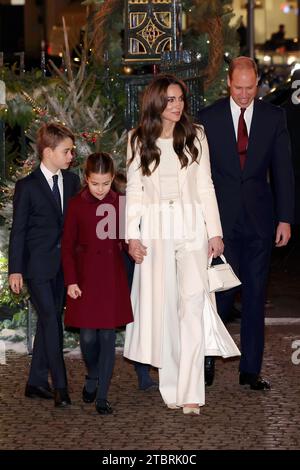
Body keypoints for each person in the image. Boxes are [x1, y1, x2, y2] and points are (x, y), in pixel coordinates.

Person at [123, 74, 240, 415]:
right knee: (166, 311)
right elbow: (135, 193)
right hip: (157, 231)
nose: (177, 105)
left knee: (191, 308)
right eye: (171, 99)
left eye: (180, 99)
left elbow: (206, 187)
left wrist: (214, 232)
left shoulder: (196, 135)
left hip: (192, 230)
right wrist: (132, 236)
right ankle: (171, 385)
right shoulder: (137, 140)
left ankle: (191, 391)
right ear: (156, 102)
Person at [199, 56, 294, 390]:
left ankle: (250, 371)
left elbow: (283, 170)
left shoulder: (273, 117)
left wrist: (285, 218)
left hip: (259, 222)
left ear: (258, 84)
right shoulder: (207, 119)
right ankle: (207, 358)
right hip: (219, 226)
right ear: (228, 82)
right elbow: (200, 176)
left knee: (255, 296)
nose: (243, 94)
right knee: (219, 296)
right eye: (238, 87)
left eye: (249, 88)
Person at [8, 122, 80, 407]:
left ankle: (36, 382)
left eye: (72, 151)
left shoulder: (72, 181)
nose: (71, 156)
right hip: (36, 268)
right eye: (67, 151)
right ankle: (60, 386)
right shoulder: (26, 186)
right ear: (48, 152)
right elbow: (19, 230)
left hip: (63, 267)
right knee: (50, 320)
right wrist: (16, 269)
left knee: (48, 323)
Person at [61, 153, 133, 415]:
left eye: (105, 183)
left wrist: (133, 246)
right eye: (95, 184)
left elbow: (127, 239)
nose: (100, 189)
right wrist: (71, 281)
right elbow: (67, 248)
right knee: (88, 337)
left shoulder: (121, 203)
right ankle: (92, 375)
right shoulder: (76, 205)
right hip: (85, 280)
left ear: (112, 179)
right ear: (86, 179)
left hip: (112, 279)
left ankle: (102, 395)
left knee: (106, 336)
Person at [112, 172, 158, 392]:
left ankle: (143, 372)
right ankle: (141, 372)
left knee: (140, 317)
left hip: (137, 267)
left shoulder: (142, 211)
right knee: (137, 318)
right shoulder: (113, 211)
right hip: (122, 270)